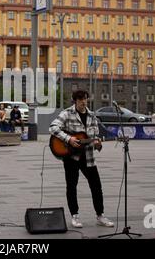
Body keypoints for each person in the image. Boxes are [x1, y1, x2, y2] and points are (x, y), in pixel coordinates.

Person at [49, 90, 114, 228]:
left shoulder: (92, 115)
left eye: (85, 99)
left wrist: (98, 144)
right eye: (80, 100)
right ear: (75, 101)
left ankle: (100, 215)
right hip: (71, 156)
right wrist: (69, 139)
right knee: (72, 186)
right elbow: (53, 127)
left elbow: (95, 136)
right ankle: (75, 216)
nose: (83, 102)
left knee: (96, 186)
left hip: (88, 157)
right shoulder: (67, 113)